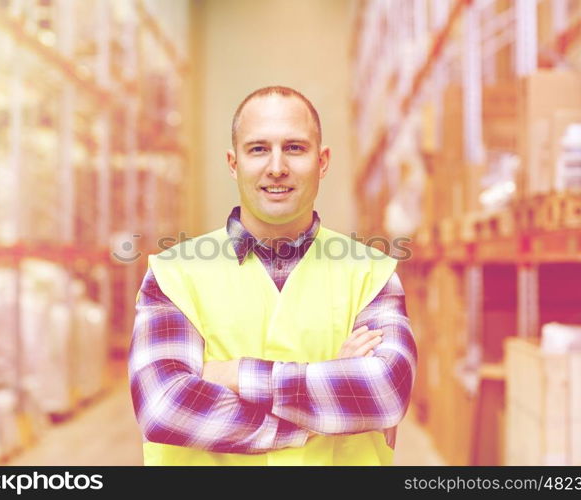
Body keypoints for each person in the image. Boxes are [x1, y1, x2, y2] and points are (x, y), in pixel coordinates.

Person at [128, 86, 417, 466]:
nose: (277, 167)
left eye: (295, 148)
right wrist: (326, 406)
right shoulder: (173, 275)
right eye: (258, 149)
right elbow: (167, 407)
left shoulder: (370, 273)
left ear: (322, 161)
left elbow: (383, 392)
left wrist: (235, 375)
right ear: (233, 163)